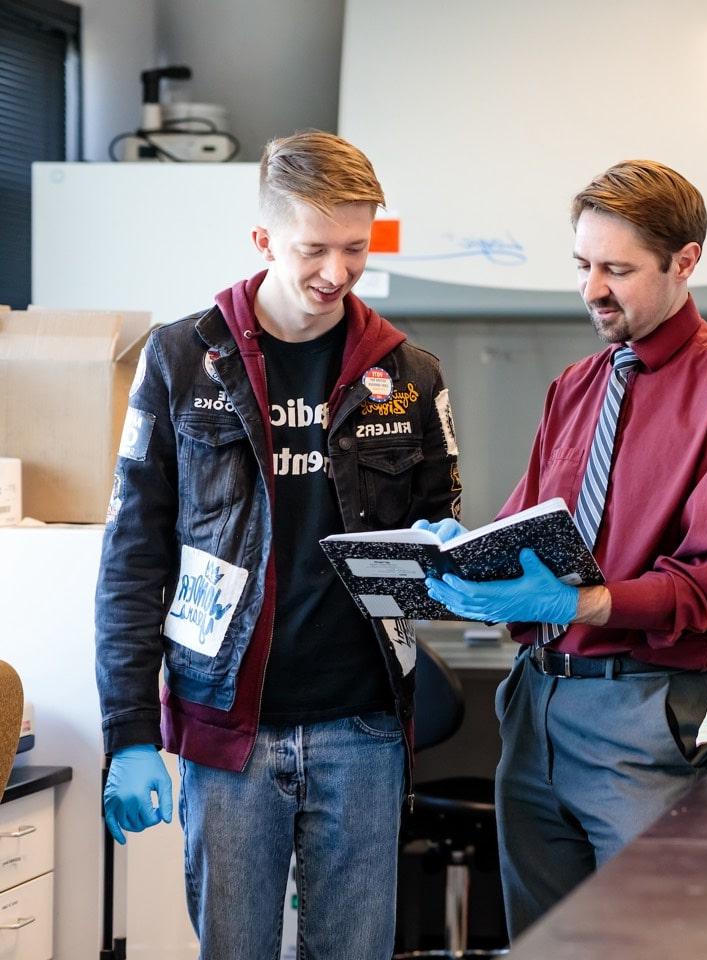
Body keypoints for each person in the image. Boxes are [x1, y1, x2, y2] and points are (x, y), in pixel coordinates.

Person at [94, 131, 462, 959]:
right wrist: (127, 733)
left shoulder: (411, 374)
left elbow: (437, 549)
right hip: (228, 730)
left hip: (364, 730)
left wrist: (450, 565)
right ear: (263, 241)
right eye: (314, 248)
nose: (337, 270)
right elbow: (132, 561)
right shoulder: (181, 360)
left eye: (357, 248)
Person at [422, 159, 707, 936]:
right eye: (584, 265)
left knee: (651, 943)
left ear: (684, 261)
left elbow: (705, 589)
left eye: (618, 269)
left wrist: (577, 601)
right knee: (543, 941)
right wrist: (463, 553)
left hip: (645, 714)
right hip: (535, 708)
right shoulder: (575, 385)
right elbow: (525, 527)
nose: (594, 288)